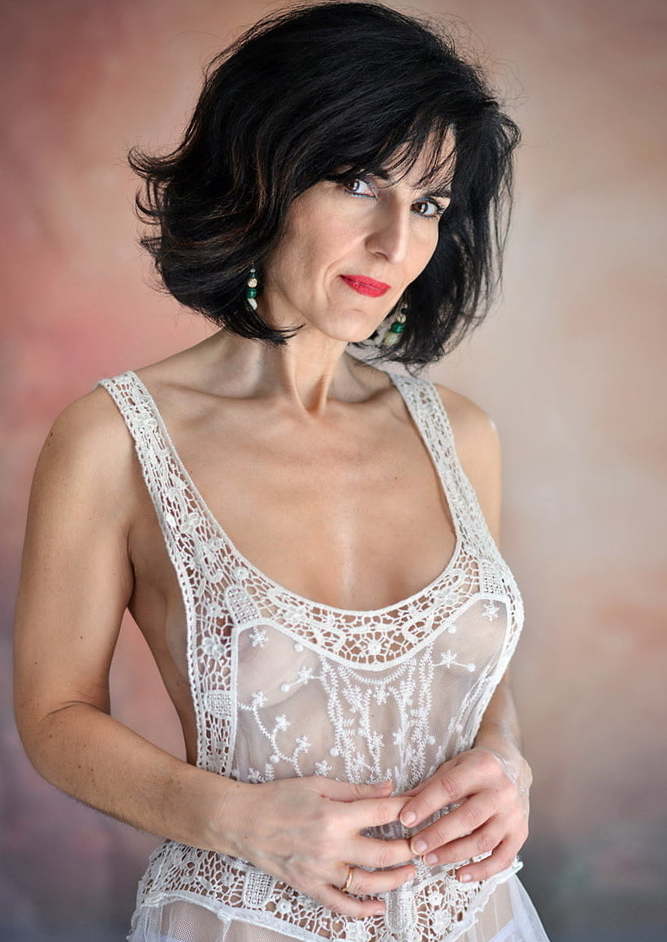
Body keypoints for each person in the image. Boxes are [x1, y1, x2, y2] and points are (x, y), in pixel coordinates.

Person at [12, 2, 552, 940]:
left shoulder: (461, 434)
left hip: (484, 919)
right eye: (357, 181)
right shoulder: (115, 439)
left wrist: (506, 759)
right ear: (261, 174)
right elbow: (54, 714)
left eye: (427, 204)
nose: (395, 242)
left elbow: (468, 668)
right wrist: (236, 820)